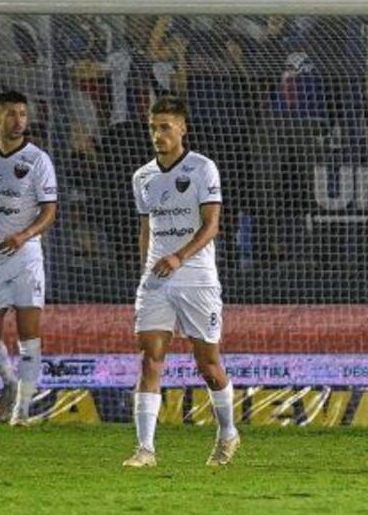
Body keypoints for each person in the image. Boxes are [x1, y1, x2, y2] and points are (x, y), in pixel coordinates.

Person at [123, 97, 239, 468]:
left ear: (182, 128)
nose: (158, 134)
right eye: (154, 127)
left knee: (208, 363)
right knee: (150, 359)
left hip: (196, 278)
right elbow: (147, 228)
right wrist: (147, 268)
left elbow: (211, 227)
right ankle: (145, 449)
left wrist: (178, 257)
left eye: (165, 127)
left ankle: (228, 433)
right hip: (156, 280)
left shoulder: (203, 169)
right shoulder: (142, 177)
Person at [0, 91, 58, 426]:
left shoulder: (38, 160)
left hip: (26, 257)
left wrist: (24, 235)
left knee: (28, 335)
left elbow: (49, 211)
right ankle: (10, 380)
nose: (18, 120)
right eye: (12, 114)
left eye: (23, 113)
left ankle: (21, 412)